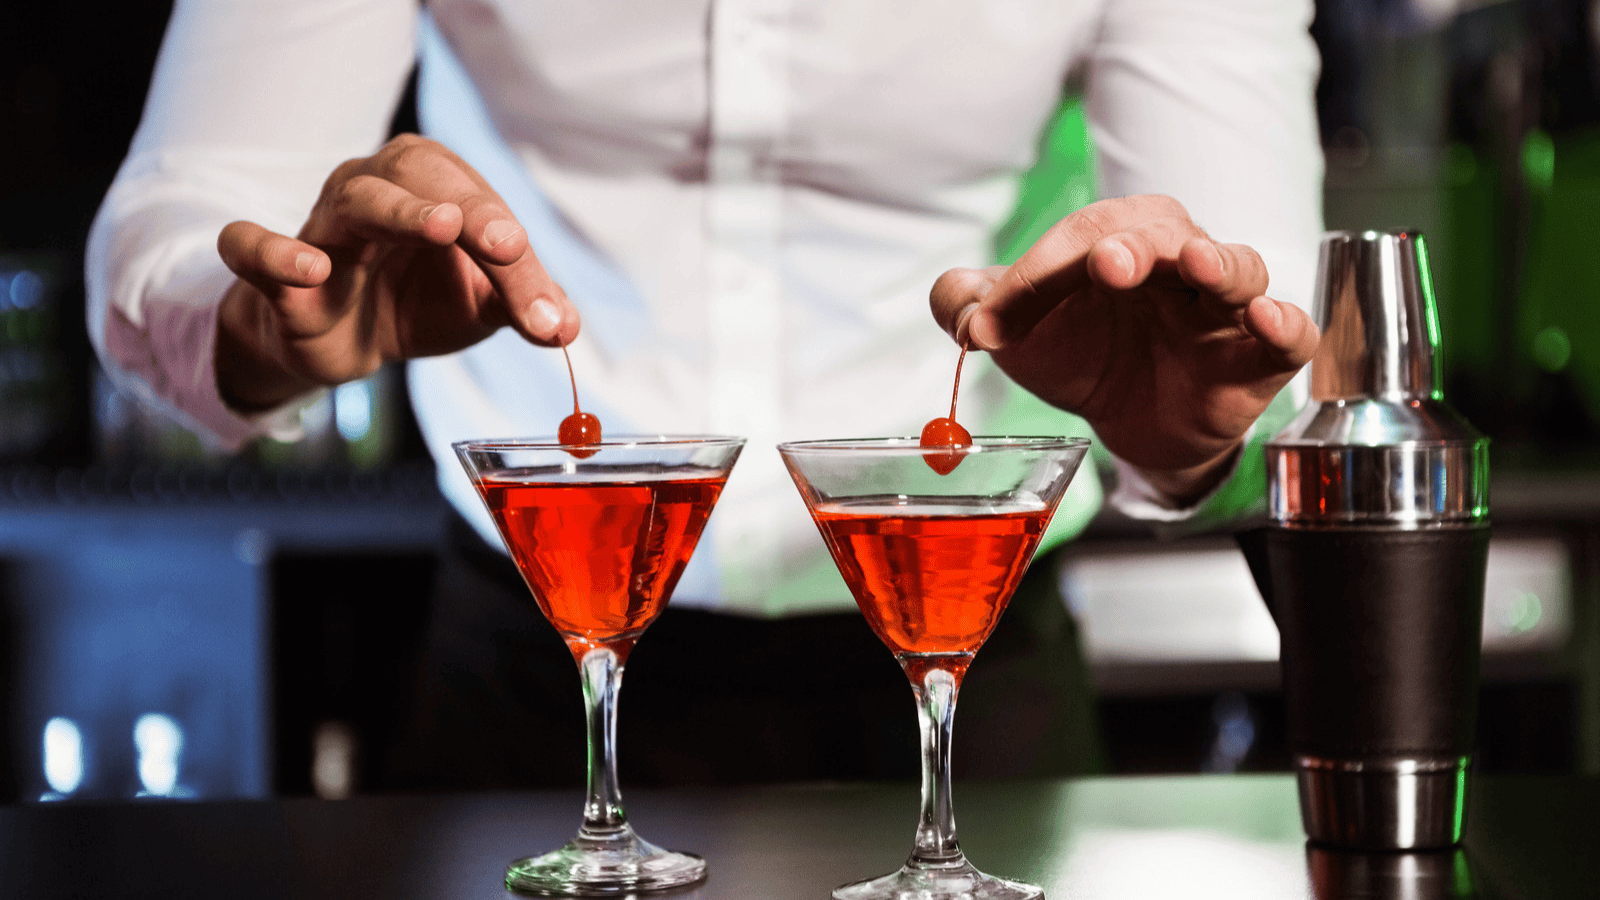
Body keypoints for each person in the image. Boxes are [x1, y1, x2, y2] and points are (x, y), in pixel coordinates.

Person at [87, 0, 1324, 787]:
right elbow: (182, 213)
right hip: (524, 674)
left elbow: (1251, 310)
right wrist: (262, 324)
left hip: (977, 666)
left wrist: (1192, 427)